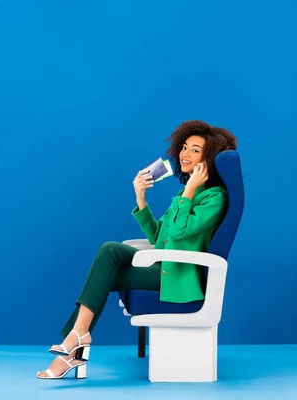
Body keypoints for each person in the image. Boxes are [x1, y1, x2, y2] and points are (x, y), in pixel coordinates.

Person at [37, 120, 238, 379]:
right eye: (184, 147)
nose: (185, 154)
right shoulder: (186, 193)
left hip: (176, 274)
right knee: (110, 250)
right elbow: (158, 236)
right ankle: (78, 337)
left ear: (208, 158)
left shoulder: (214, 198)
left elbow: (178, 232)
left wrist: (188, 192)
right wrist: (140, 198)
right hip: (162, 264)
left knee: (101, 279)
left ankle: (74, 347)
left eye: (195, 150)